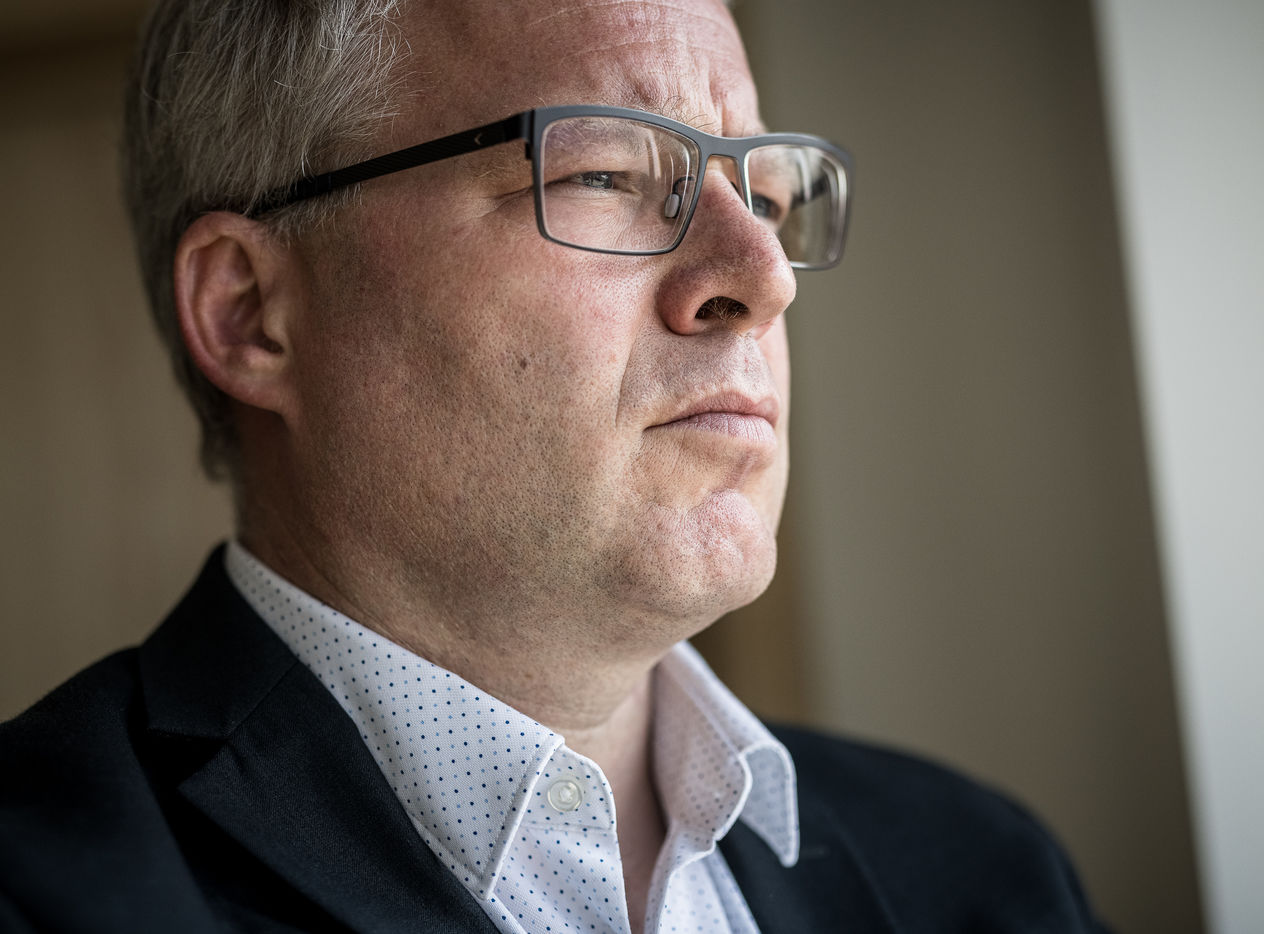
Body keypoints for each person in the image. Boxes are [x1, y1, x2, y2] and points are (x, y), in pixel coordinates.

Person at [0, 1, 1109, 931]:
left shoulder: (985, 871)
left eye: (766, 196)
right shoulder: (40, 882)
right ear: (251, 312)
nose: (763, 275)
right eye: (605, 173)